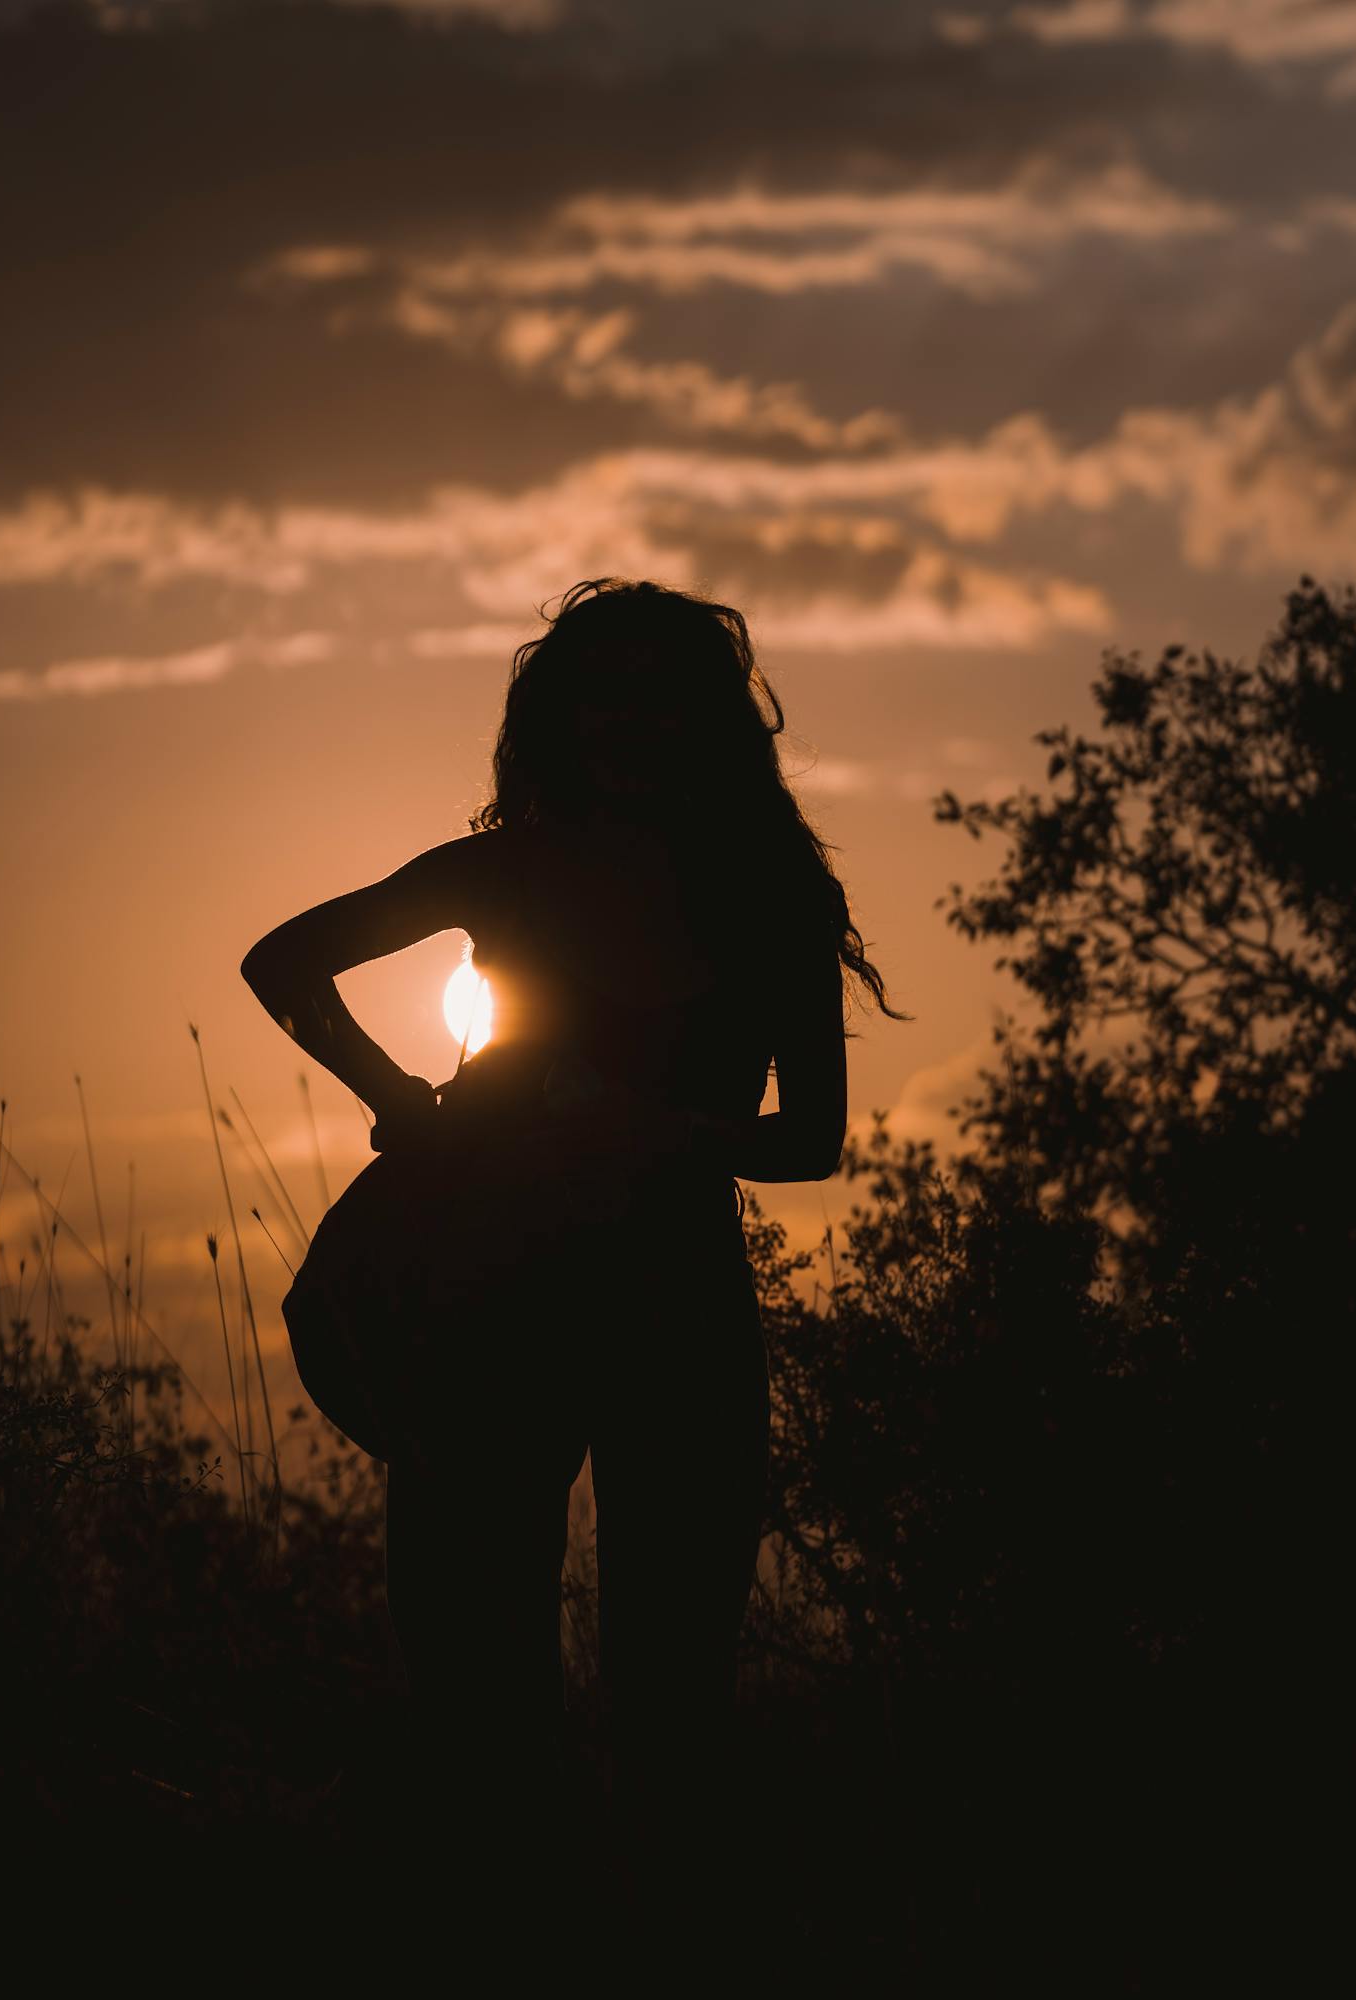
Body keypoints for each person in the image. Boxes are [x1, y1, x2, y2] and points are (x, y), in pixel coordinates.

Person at [240, 577, 903, 1955]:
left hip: (679, 1312)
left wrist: (647, 1128)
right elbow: (284, 959)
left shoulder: (776, 895)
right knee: (480, 1697)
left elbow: (817, 1141)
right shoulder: (505, 874)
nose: (633, 720)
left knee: (673, 1697)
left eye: (663, 693)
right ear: (561, 715)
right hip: (491, 1299)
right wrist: (396, 1093)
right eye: (606, 691)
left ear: (710, 720)